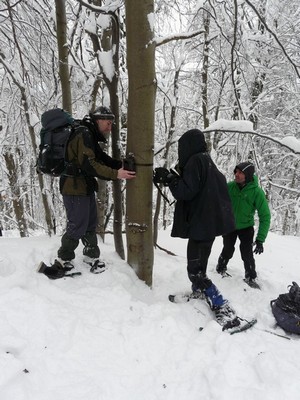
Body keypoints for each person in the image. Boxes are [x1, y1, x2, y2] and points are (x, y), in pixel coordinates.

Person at [39, 106, 136, 279]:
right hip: (74, 187)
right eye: (107, 123)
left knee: (90, 223)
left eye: (111, 123)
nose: (109, 127)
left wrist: (118, 165)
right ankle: (62, 260)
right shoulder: (83, 133)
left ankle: (92, 256)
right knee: (77, 225)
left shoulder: (88, 133)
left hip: (84, 185)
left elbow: (99, 157)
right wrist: (116, 174)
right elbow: (90, 164)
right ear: (98, 120)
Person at [153, 129, 237, 324]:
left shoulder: (195, 161)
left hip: (201, 226)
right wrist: (172, 177)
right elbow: (198, 188)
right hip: (208, 226)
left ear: (187, 147)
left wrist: (170, 179)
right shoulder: (206, 162)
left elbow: (186, 191)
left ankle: (220, 303)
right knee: (201, 264)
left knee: (194, 270)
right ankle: (199, 291)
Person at [216, 161, 271, 288]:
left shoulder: (256, 192)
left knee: (246, 253)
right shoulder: (230, 186)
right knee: (227, 249)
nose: (237, 175)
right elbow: (217, 200)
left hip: (246, 227)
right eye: (236, 172)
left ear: (248, 175)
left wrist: (260, 239)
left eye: (240, 173)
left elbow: (265, 216)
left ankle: (250, 277)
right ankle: (220, 268)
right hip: (229, 225)